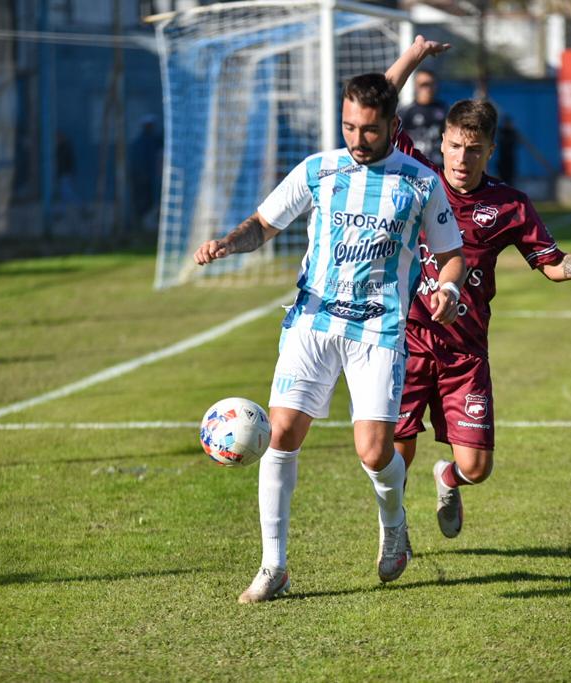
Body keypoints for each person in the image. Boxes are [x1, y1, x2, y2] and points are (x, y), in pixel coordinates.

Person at [194, 73, 466, 602]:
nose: (357, 139)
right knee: (281, 434)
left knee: (374, 452)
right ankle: (273, 566)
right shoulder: (319, 169)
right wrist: (228, 243)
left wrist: (449, 290)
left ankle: (394, 525)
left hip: (378, 330)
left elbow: (451, 254)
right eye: (349, 127)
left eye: (369, 129)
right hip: (313, 323)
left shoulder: (420, 182)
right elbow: (263, 224)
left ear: (392, 124)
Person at [386, 36, 571, 538]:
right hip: (409, 340)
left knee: (477, 467)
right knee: (396, 450)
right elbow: (382, 110)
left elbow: (554, 265)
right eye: (455, 146)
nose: (462, 159)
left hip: (465, 352)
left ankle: (447, 479)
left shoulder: (510, 204)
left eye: (474, 150)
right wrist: (413, 56)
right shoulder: (418, 177)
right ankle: (395, 531)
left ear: (490, 150)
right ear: (442, 143)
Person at [398, 67, 447, 166]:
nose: (427, 89)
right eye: (423, 85)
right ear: (416, 86)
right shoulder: (406, 112)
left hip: (438, 166)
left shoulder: (444, 110)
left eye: (431, 84)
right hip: (415, 165)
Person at [496, 115, 518, 185]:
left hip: (510, 160)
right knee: (502, 178)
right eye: (506, 123)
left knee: (510, 179)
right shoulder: (501, 131)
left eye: (508, 123)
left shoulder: (513, 133)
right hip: (502, 159)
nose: (507, 125)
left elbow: (514, 144)